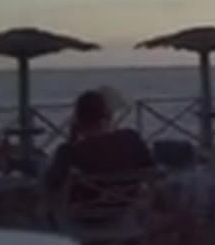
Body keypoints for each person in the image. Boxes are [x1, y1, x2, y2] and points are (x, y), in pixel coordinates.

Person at [44, 90, 156, 223]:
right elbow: (150, 169)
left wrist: (72, 139)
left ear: (78, 121)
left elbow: (51, 183)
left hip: (85, 220)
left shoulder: (70, 151)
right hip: (124, 214)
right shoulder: (132, 139)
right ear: (107, 116)